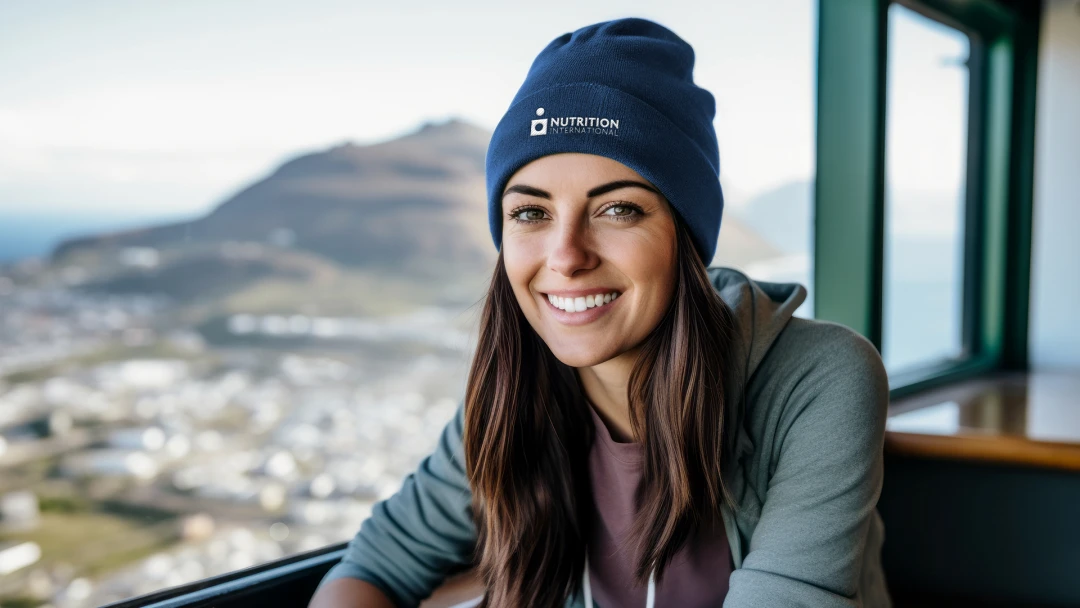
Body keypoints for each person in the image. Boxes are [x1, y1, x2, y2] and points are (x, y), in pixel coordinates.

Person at [308, 16, 891, 608]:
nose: (566, 256)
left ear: (686, 236)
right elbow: (372, 570)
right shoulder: (511, 391)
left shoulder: (817, 380)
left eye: (618, 210)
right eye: (531, 214)